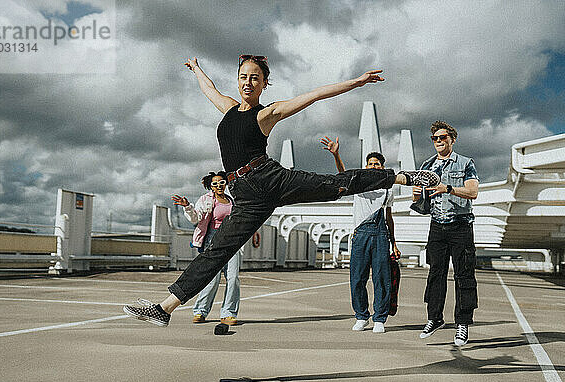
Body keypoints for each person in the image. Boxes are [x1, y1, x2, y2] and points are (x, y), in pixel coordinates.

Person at [123, 55, 439, 327]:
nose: (248, 82)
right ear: (238, 80)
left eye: (255, 79)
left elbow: (313, 95)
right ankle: (165, 309)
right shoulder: (229, 109)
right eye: (243, 77)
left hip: (268, 178)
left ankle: (400, 178)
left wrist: (355, 83)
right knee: (218, 249)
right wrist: (196, 69)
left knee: (332, 185)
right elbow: (210, 89)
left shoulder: (266, 113)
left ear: (264, 84)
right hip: (244, 194)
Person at [321, 136, 400, 333]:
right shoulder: (358, 184)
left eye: (377, 164)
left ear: (382, 168)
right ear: (365, 167)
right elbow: (343, 174)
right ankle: (361, 316)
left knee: (381, 278)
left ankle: (379, 318)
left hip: (380, 235)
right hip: (360, 234)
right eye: (370, 163)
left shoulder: (388, 190)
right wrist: (336, 154)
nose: (373, 166)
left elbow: (389, 218)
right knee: (357, 278)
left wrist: (394, 243)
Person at [414, 121, 479, 346]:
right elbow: (422, 201)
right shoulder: (427, 165)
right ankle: (434, 318)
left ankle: (462, 323)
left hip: (461, 226)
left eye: (443, 137)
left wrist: (448, 188)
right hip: (437, 226)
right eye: (435, 138)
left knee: (463, 275)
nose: (439, 141)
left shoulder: (465, 163)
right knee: (435, 274)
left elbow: (473, 192)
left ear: (452, 139)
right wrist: (416, 195)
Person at [172, 171, 241, 326]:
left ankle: (228, 314)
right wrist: (187, 207)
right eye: (215, 184)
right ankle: (200, 311)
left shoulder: (232, 201)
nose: (218, 186)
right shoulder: (206, 200)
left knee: (233, 278)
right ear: (210, 186)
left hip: (232, 239)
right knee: (211, 279)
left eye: (221, 182)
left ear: (226, 184)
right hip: (212, 239)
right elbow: (195, 218)